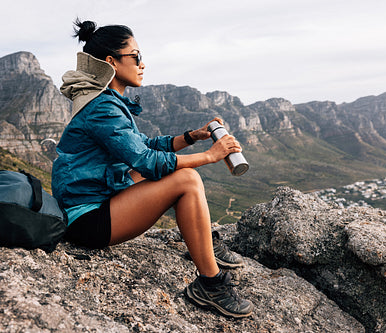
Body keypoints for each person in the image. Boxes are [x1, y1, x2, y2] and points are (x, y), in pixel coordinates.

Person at [52, 19, 254, 318]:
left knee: (170, 173)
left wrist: (191, 137)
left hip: (99, 195)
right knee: (186, 179)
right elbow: (147, 161)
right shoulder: (102, 108)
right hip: (87, 220)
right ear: (112, 62)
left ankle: (202, 240)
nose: (142, 63)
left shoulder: (106, 100)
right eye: (135, 56)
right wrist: (211, 155)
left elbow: (143, 146)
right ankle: (210, 285)